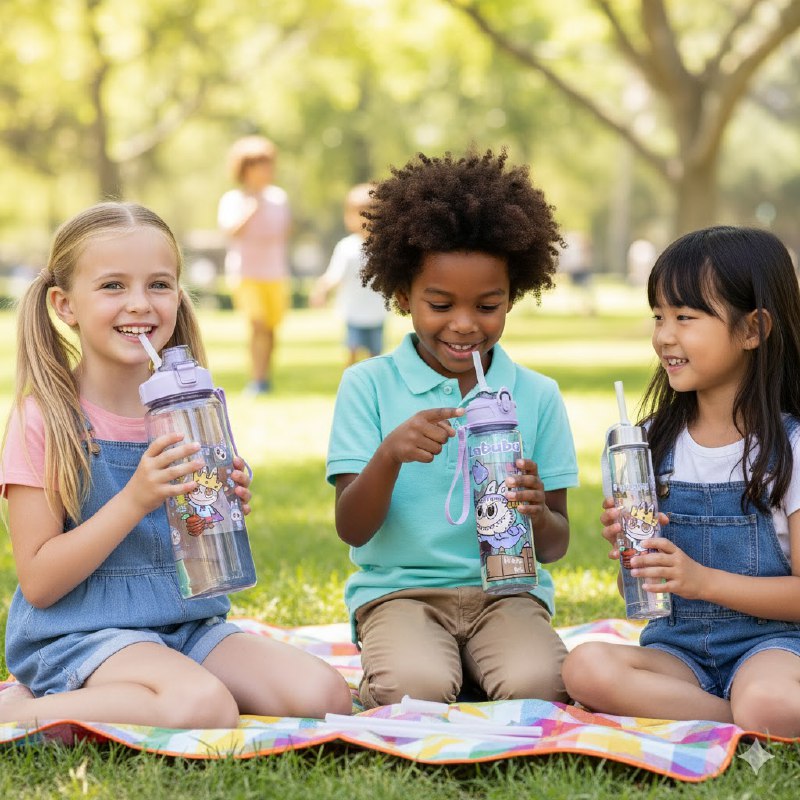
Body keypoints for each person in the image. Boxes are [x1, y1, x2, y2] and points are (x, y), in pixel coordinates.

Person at [0, 202, 352, 727]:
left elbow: (193, 533)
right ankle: (21, 711)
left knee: (323, 694)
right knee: (204, 706)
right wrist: (135, 498)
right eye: (113, 286)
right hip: (80, 632)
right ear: (64, 304)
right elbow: (39, 582)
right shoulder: (46, 418)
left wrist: (217, 505)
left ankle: (155, 688)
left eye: (159, 285)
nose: (140, 304)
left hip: (185, 623)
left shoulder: (189, 410)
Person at [326, 150, 579, 709]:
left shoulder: (538, 395)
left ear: (512, 297)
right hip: (401, 595)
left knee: (543, 687)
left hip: (508, 594)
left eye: (488, 306)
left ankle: (471, 666)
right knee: (412, 690)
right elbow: (352, 528)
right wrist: (390, 455)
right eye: (440, 304)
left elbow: (556, 546)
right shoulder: (367, 385)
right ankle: (438, 666)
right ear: (402, 296)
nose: (464, 325)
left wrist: (538, 512)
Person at [562, 226, 800, 738]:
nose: (664, 336)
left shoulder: (791, 449)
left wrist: (701, 580)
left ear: (753, 329)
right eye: (658, 316)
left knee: (770, 701)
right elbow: (644, 589)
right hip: (678, 649)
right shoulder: (645, 445)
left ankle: (736, 713)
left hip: (774, 647)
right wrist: (634, 556)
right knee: (584, 668)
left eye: (685, 317)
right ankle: (731, 718)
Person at [217, 135, 291, 395]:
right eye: (261, 165)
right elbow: (230, 232)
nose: (267, 170)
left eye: (269, 164)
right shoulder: (232, 199)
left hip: (276, 273)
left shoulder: (279, 198)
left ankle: (266, 377)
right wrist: (251, 209)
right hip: (246, 274)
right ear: (245, 169)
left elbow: (284, 232)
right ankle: (256, 379)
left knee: (270, 329)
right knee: (257, 325)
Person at [310, 183, 388, 366]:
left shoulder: (384, 248)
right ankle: (350, 379)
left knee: (375, 356)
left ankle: (373, 381)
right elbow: (334, 275)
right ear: (348, 217)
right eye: (359, 213)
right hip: (353, 312)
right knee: (352, 350)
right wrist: (321, 290)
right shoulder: (347, 247)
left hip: (377, 313)